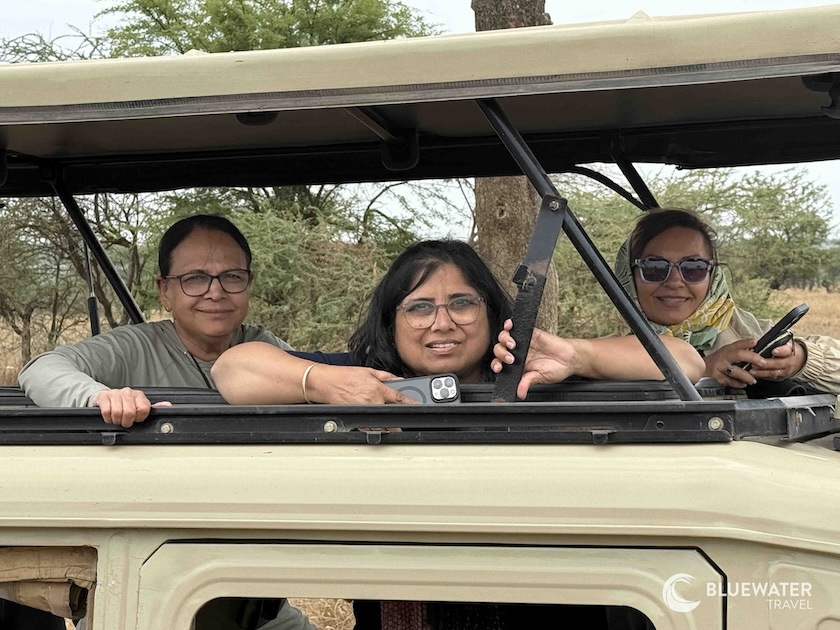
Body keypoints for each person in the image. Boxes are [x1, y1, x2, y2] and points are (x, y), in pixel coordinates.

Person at [16, 214, 315, 630]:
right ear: (165, 290)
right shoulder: (136, 346)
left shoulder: (267, 349)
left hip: (254, 603)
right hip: (144, 597)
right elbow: (41, 369)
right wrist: (101, 398)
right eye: (195, 278)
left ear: (249, 283)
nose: (215, 292)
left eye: (231, 276)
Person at [212, 239, 704, 405]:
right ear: (391, 322)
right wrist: (322, 383)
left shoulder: (529, 374)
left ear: (492, 313)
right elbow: (231, 369)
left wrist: (582, 357)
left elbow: (685, 359)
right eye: (420, 307)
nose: (441, 323)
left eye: (462, 304)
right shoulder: (365, 377)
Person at [612, 208, 840, 392]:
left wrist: (801, 360)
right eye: (654, 268)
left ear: (713, 276)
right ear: (629, 278)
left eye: (693, 268)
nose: (674, 281)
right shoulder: (615, 354)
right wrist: (701, 373)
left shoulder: (748, 334)